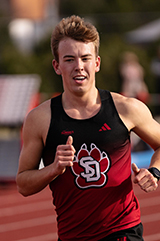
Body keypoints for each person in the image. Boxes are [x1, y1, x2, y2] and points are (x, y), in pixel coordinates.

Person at [16, 15, 160, 241]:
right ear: (57, 65)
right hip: (73, 235)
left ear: (97, 63)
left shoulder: (127, 108)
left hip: (123, 232)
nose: (79, 67)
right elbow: (23, 183)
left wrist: (154, 171)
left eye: (85, 58)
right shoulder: (40, 119)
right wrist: (53, 169)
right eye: (69, 59)